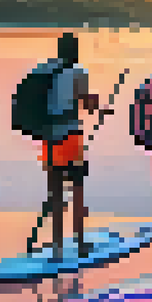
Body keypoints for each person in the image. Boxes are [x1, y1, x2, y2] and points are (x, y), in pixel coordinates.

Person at [36, 32, 104, 260]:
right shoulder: (78, 72)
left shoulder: (46, 73)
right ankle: (81, 241)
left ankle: (57, 247)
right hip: (70, 138)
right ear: (74, 52)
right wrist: (98, 107)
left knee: (55, 192)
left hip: (49, 138)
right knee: (77, 190)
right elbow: (86, 102)